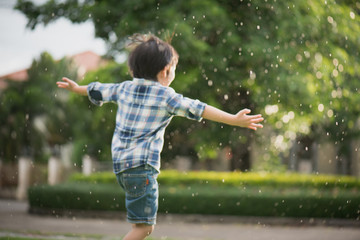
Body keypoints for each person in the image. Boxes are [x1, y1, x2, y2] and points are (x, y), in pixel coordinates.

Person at [57, 34, 264, 240]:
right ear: (166, 71)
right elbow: (200, 108)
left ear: (133, 69)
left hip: (121, 167)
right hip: (142, 169)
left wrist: (77, 88)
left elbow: (97, 89)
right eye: (174, 69)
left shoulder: (124, 88)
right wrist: (233, 120)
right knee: (143, 228)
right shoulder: (166, 97)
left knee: (139, 224)